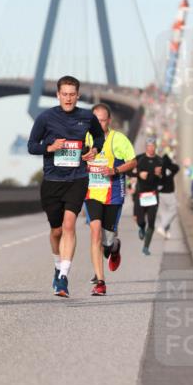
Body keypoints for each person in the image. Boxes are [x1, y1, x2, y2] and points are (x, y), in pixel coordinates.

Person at [27, 75, 104, 297]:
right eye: (65, 94)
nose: (68, 99)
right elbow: (32, 146)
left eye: (72, 95)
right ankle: (57, 265)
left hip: (77, 178)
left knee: (69, 225)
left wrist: (94, 150)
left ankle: (63, 277)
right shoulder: (45, 118)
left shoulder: (87, 117)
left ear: (77, 96)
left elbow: (99, 138)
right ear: (58, 95)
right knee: (56, 230)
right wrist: (50, 147)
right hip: (52, 180)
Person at [84, 104, 136, 295]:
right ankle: (100, 282)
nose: (99, 123)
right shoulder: (86, 138)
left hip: (113, 194)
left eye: (103, 120)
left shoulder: (118, 139)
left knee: (107, 240)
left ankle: (114, 247)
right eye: (95, 120)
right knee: (95, 233)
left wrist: (115, 170)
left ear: (109, 121)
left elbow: (132, 161)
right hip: (91, 193)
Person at [130, 137, 163, 256]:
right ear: (146, 147)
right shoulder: (139, 159)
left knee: (152, 221)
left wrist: (160, 175)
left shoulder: (160, 161)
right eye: (149, 146)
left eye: (153, 146)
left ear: (155, 147)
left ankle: (146, 247)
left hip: (153, 195)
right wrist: (139, 174)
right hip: (140, 194)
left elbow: (165, 179)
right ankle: (141, 227)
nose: (151, 148)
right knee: (140, 220)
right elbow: (129, 171)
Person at [156, 150, 180, 240]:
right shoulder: (171, 169)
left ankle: (166, 231)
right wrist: (169, 164)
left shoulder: (159, 168)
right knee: (173, 211)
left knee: (164, 213)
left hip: (160, 193)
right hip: (169, 193)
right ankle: (162, 227)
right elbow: (177, 168)